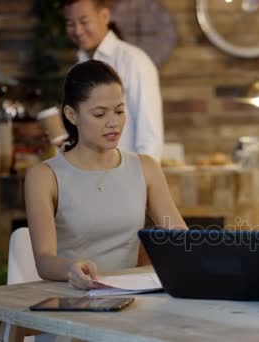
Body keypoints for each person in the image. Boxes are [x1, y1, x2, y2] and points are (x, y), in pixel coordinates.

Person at [25, 60, 187, 290]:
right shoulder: (44, 176)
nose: (114, 123)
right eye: (99, 114)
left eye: (119, 111)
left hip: (132, 297)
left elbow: (179, 236)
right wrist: (70, 269)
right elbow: (44, 260)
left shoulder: (145, 167)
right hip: (73, 298)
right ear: (71, 115)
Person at [62, 0, 163, 160]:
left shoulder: (134, 61)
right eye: (70, 24)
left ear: (104, 16)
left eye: (84, 21)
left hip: (126, 175)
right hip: (88, 176)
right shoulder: (76, 68)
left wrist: (142, 179)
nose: (78, 31)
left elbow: (150, 134)